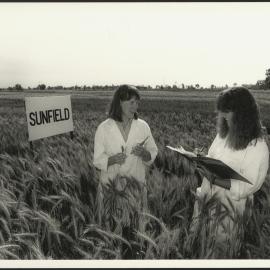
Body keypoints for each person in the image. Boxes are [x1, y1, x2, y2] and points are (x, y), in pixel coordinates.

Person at [187, 87, 269, 258]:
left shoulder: (257, 146)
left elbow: (246, 186)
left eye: (227, 111)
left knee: (221, 254)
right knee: (198, 249)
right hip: (205, 203)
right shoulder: (222, 136)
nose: (222, 115)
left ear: (243, 114)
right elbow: (212, 159)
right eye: (221, 110)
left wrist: (215, 179)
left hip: (229, 214)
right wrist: (201, 159)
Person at [93, 84, 158, 258]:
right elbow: (97, 159)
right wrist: (113, 159)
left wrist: (144, 153)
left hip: (135, 188)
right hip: (111, 190)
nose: (135, 107)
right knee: (113, 232)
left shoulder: (143, 126)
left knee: (135, 231)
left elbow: (153, 152)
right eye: (131, 102)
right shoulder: (104, 128)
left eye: (137, 103)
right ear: (120, 102)